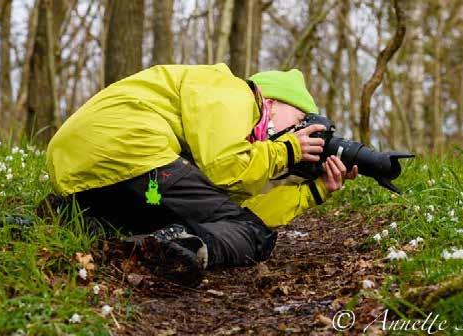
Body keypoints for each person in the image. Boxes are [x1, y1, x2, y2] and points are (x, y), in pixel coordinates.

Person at [46, 64, 358, 286]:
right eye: (301, 117)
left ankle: (69, 217)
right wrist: (287, 150)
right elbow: (228, 171)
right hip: (133, 149)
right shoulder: (236, 93)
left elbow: (235, 209)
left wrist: (314, 190)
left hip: (88, 168)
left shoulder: (218, 111)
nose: (302, 129)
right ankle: (182, 246)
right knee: (256, 237)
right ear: (271, 101)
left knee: (228, 221)